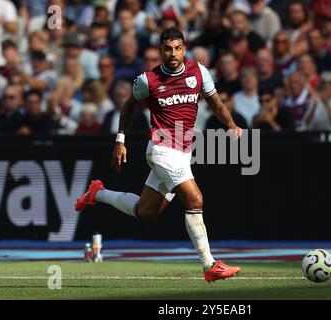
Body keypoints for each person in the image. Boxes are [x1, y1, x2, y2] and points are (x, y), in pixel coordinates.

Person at [75, 28, 242, 282]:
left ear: (184, 49)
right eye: (167, 49)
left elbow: (216, 103)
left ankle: (97, 192)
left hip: (183, 152)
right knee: (195, 200)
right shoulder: (148, 80)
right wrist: (120, 139)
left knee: (145, 212)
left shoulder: (198, 72)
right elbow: (129, 105)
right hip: (162, 150)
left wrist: (231, 125)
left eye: (177, 48)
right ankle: (209, 266)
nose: (173, 53)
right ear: (160, 51)